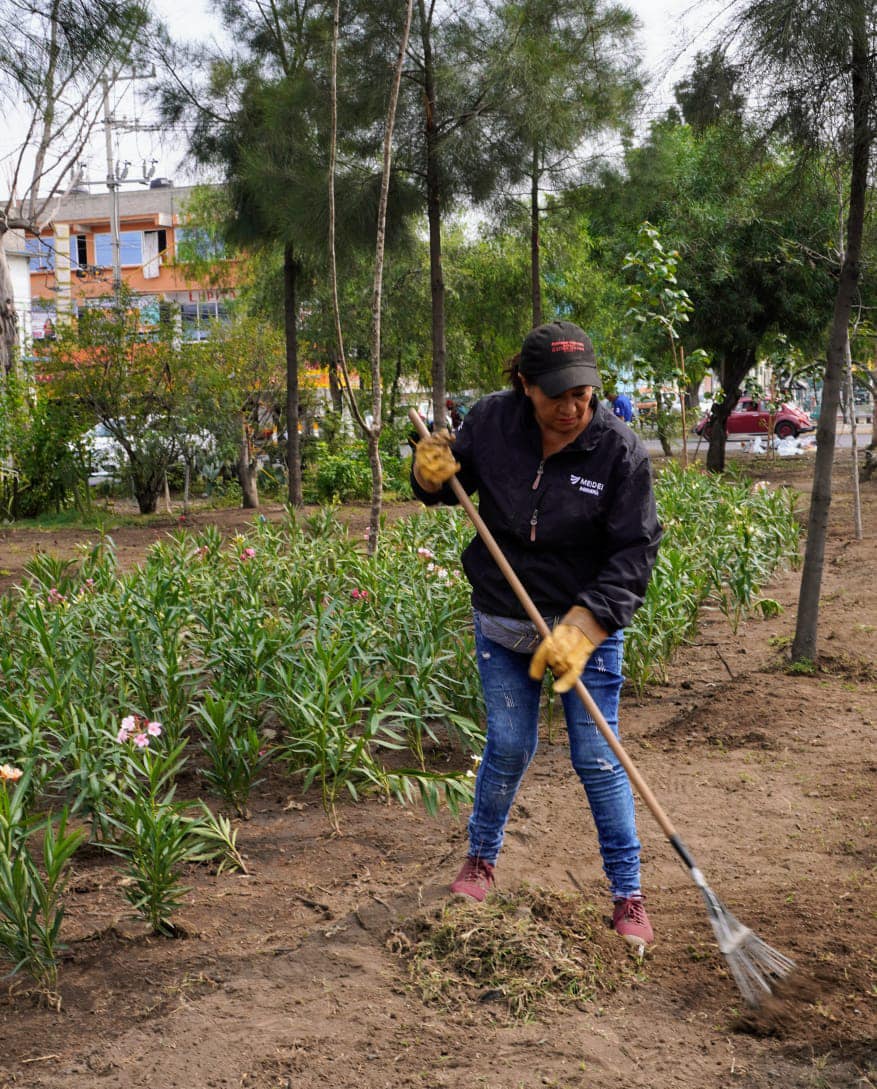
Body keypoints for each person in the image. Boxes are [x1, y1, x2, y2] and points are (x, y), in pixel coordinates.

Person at [411, 320, 662, 951]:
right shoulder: (492, 424)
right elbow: (451, 489)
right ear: (525, 385)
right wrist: (428, 475)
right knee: (510, 743)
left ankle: (627, 891)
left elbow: (634, 551)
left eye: (584, 394)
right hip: (504, 620)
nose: (573, 408)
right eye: (557, 396)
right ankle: (481, 858)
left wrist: (585, 625)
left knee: (599, 759)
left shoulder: (619, 451)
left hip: (586, 627)